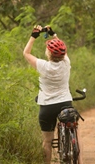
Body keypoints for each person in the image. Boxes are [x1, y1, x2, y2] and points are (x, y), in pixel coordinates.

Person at [23, 25, 83, 164]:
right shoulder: (66, 63)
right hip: (65, 104)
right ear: (62, 54)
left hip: (47, 107)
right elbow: (64, 49)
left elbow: (26, 53)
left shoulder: (42, 65)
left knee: (47, 142)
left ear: (49, 54)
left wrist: (34, 36)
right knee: (75, 131)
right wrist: (54, 34)